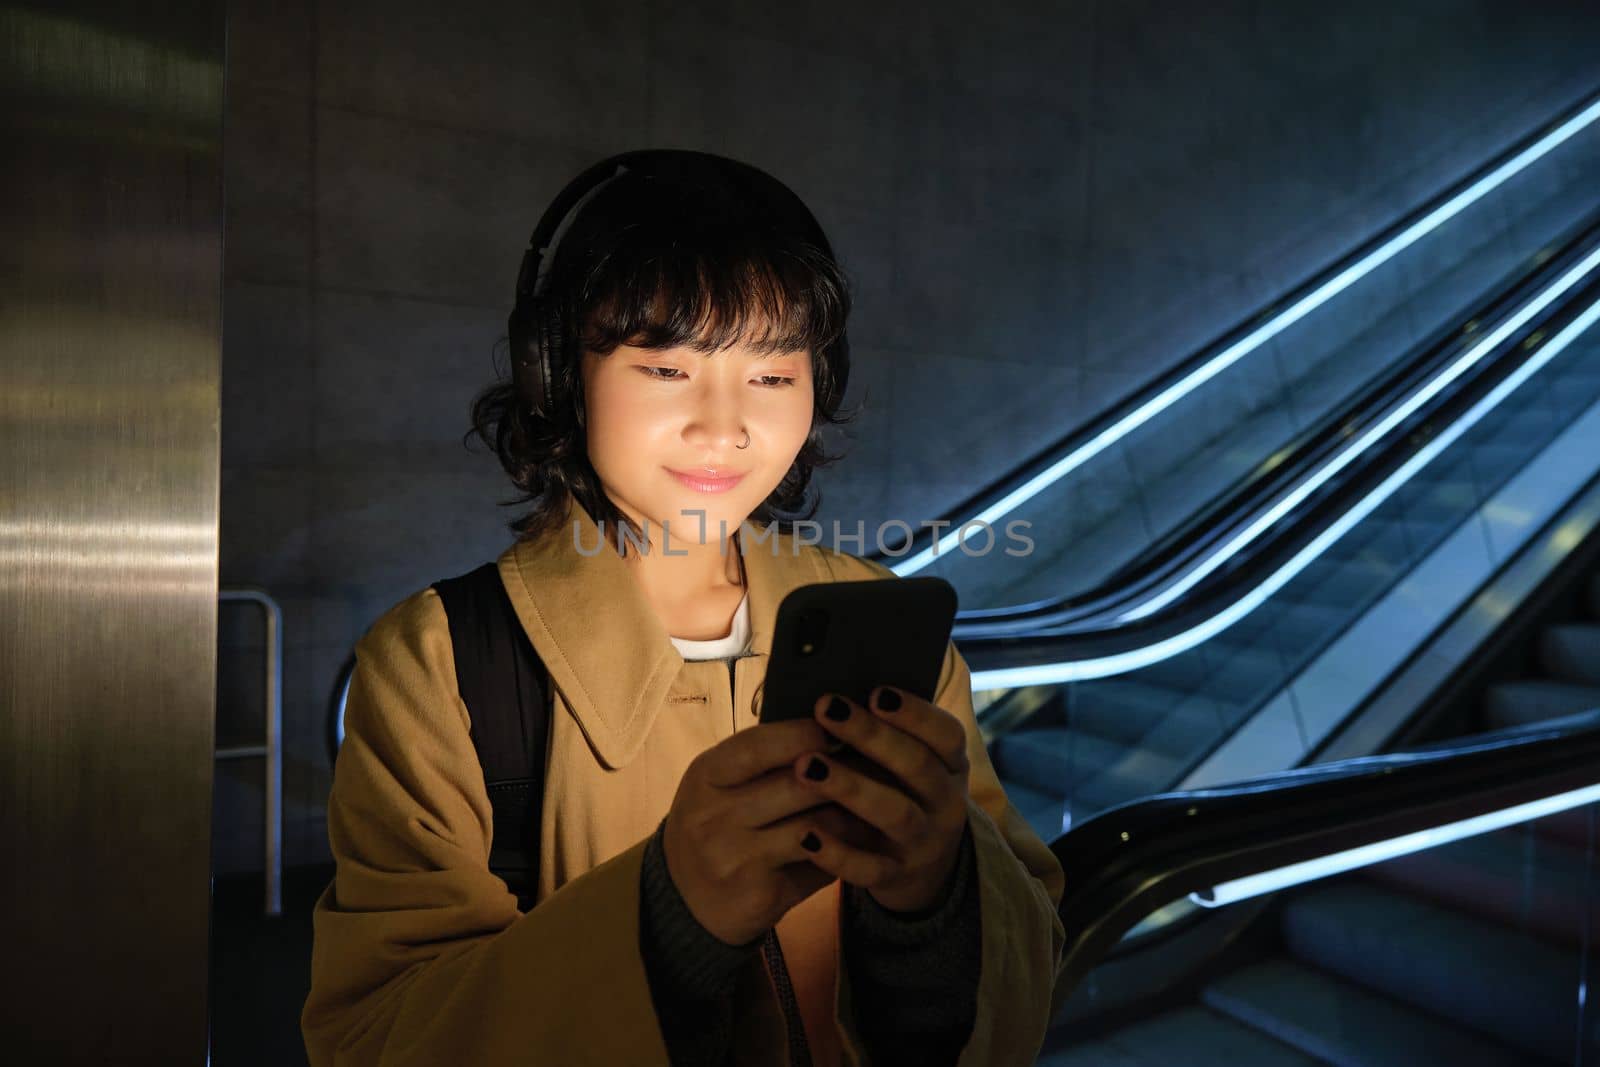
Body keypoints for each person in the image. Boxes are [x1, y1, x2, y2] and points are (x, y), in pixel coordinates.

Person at [301, 151, 1067, 1066]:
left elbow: (1026, 981)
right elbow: (378, 1039)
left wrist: (936, 899)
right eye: (667, 368)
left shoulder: (882, 619)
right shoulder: (440, 665)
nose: (725, 424)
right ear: (558, 373)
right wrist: (669, 918)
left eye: (774, 376)